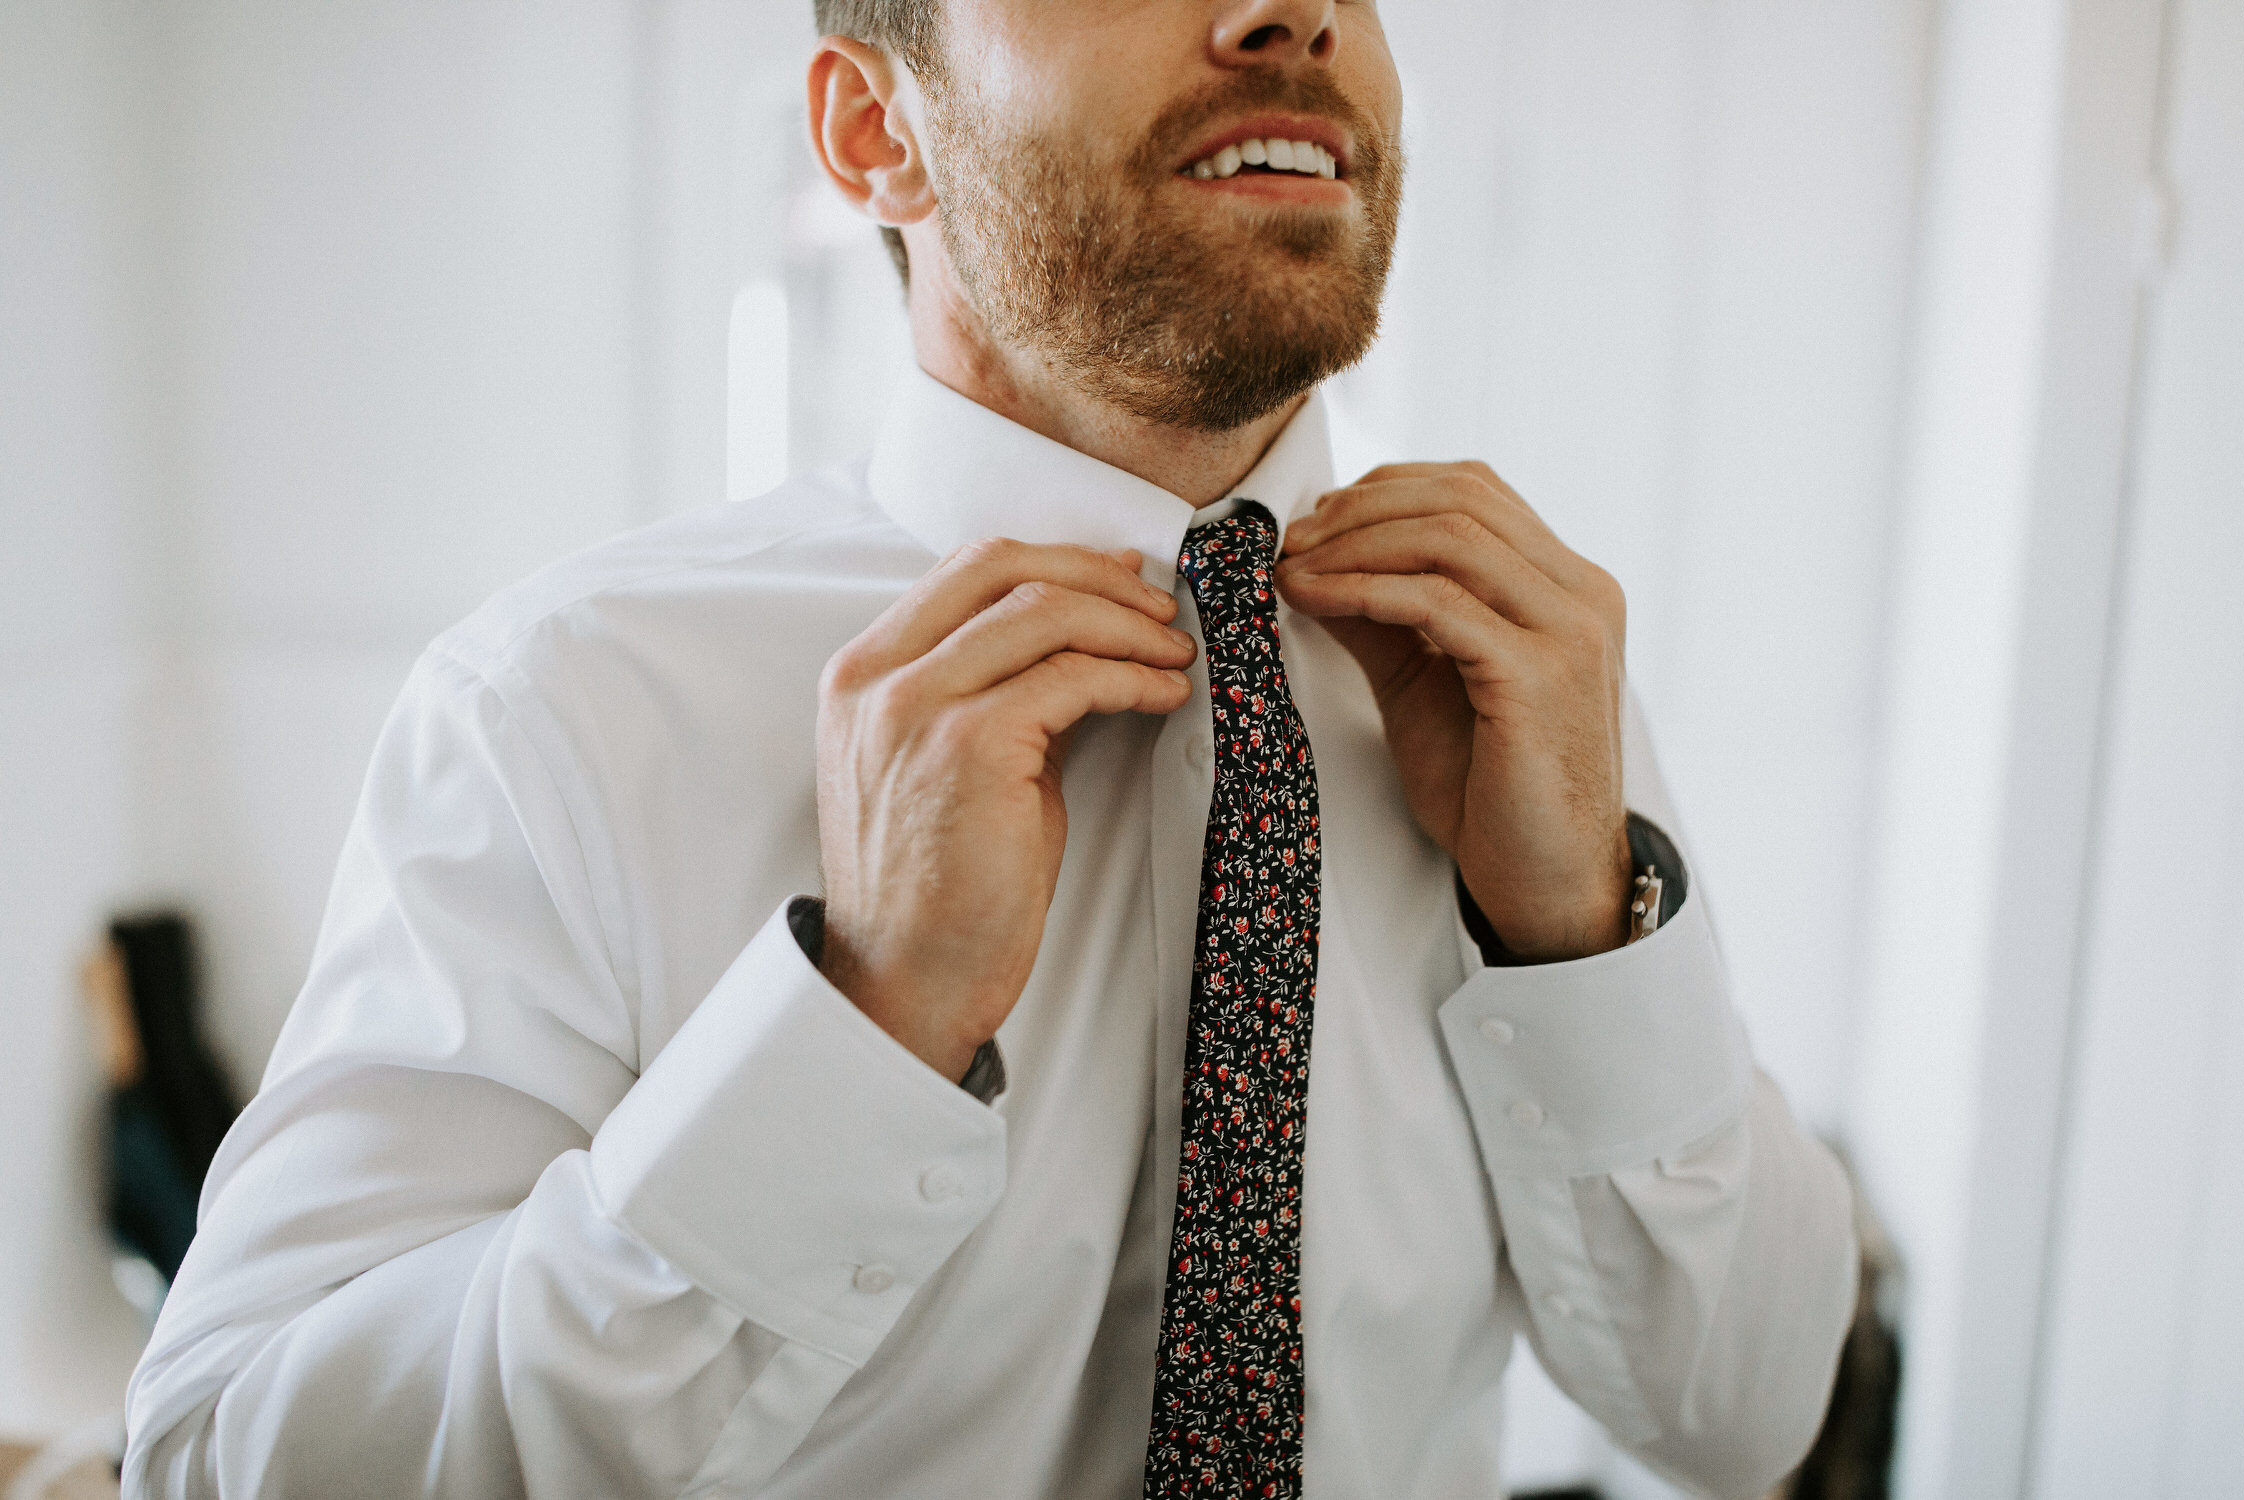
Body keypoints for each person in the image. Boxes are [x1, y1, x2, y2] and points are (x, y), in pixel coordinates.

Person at [123, 2, 1857, 1495]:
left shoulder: (1514, 679)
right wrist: (852, 1029)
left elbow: (1741, 1414)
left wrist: (1573, 937)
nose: (1292, 13)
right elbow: (220, 1455)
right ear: (876, 129)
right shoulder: (568, 708)